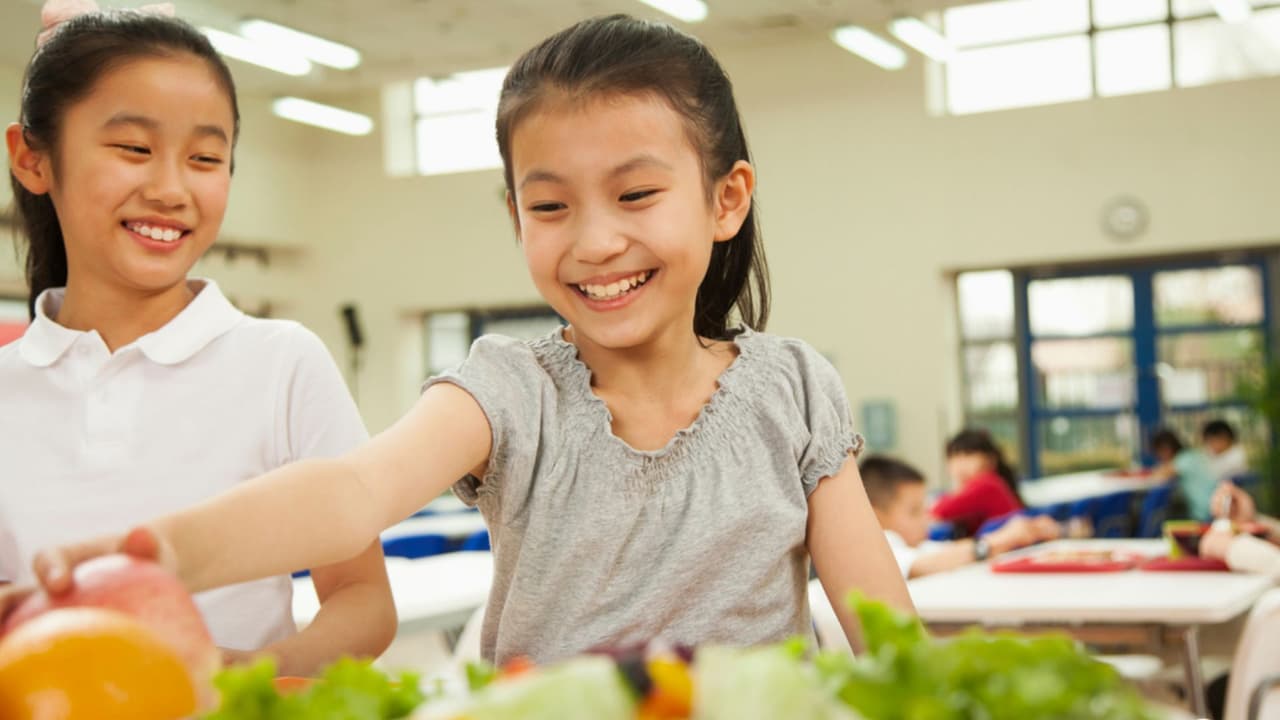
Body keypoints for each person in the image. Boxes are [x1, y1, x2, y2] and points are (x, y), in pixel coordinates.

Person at [3, 14, 913, 665]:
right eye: (550, 206)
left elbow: (882, 626)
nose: (595, 241)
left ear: (726, 198)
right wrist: (162, 551)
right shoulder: (507, 388)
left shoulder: (793, 388)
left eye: (636, 196)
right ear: (515, 213)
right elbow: (352, 493)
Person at [0, 1, 394, 675]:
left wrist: (254, 676)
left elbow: (362, 598)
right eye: (134, 149)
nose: (171, 188)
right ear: (33, 160)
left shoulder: (281, 362)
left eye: (207, 157)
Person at [862, 455, 1057, 578]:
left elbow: (953, 551)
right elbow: (921, 566)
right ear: (875, 516)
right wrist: (1003, 538)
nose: (926, 519)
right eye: (914, 511)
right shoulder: (881, 546)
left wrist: (1020, 535)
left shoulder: (916, 545)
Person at [931, 429, 1024, 536]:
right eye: (953, 457)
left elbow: (938, 512)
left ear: (990, 460)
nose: (960, 464)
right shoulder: (994, 482)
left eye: (968, 456)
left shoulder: (987, 484)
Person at [1149, 428, 1217, 522]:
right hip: (1210, 507)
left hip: (1204, 512)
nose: (1159, 457)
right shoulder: (1191, 455)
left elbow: (1161, 474)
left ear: (1166, 448)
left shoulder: (1184, 459)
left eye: (1159, 453)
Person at [1203, 419, 1249, 483]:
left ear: (1225, 438)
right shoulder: (1212, 454)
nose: (1211, 445)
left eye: (1213, 441)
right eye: (1209, 442)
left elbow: (1214, 475)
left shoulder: (1236, 455)